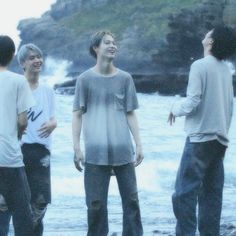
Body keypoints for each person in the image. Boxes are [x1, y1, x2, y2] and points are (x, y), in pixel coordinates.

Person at [72, 30, 144, 236]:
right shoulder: (84, 79)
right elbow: (77, 114)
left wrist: (138, 144)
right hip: (95, 152)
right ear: (96, 48)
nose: (113, 46)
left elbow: (130, 113)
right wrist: (77, 147)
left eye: (114, 43)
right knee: (95, 205)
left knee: (131, 202)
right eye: (107, 43)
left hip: (123, 151)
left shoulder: (125, 78)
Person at [168, 25, 236, 236]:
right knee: (211, 195)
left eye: (209, 33)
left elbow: (193, 101)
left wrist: (174, 109)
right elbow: (229, 106)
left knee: (183, 193)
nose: (205, 34)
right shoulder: (226, 70)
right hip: (220, 140)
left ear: (211, 42)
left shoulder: (199, 65)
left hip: (200, 138)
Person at [0, 36, 35, 236]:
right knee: (23, 216)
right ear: (13, 56)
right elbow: (23, 121)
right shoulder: (19, 81)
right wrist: (17, 135)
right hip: (9, 157)